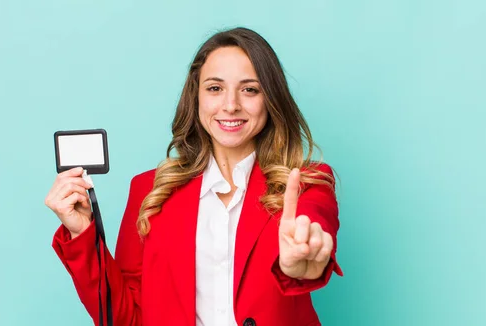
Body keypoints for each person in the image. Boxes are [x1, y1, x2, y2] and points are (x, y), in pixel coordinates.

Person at [45, 27, 343, 326]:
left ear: (271, 99)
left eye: (250, 89)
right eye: (215, 88)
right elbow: (125, 319)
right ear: (196, 96)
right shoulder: (149, 190)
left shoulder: (307, 183)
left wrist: (307, 259)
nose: (230, 105)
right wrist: (82, 233)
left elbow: (313, 225)